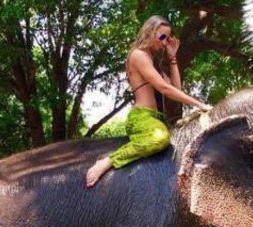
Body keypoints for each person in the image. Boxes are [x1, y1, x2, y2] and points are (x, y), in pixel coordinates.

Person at [85, 15, 211, 187]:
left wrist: (172, 58)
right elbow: (164, 88)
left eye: (167, 39)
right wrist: (199, 104)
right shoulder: (138, 55)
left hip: (155, 118)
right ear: (150, 31)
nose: (164, 43)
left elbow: (176, 88)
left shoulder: (154, 63)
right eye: (162, 37)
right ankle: (109, 161)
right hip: (141, 117)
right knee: (159, 139)